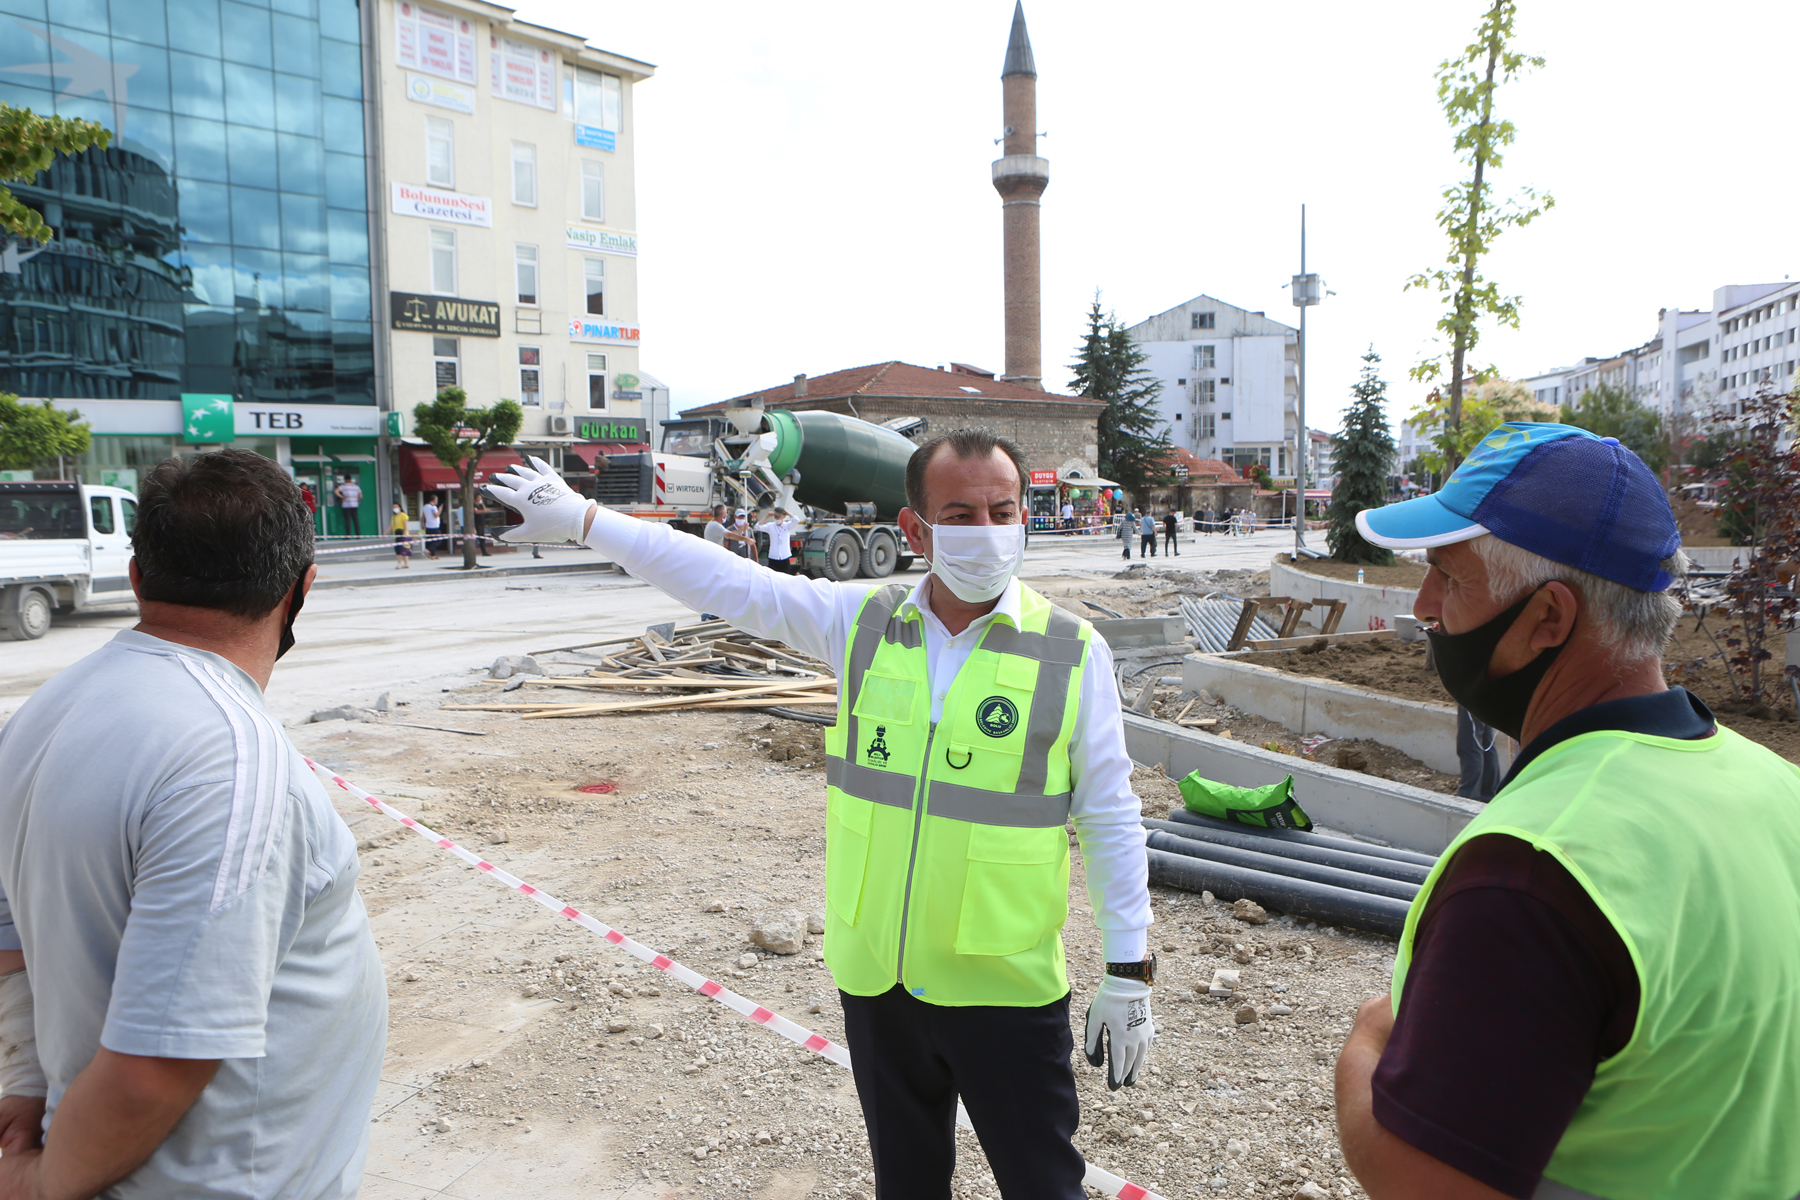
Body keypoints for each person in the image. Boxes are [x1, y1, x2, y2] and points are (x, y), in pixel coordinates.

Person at [486, 430, 1155, 1200]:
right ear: (916, 529)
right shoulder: (862, 623)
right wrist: (587, 519)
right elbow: (727, 582)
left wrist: (1129, 970)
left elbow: (1110, 815)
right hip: (878, 983)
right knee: (906, 1185)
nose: (987, 530)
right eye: (961, 513)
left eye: (1003, 511)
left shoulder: (1073, 650)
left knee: (1043, 1187)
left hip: (1002, 988)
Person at [1336, 423, 1800, 1200]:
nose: (1423, 607)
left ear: (1548, 619)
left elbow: (1425, 1180)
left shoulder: (1533, 869)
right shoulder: (1777, 789)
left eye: (1448, 579)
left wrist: (1365, 1044)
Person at [0, 449, 387, 1199]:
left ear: (139, 576)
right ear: (300, 589)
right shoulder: (230, 761)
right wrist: (40, 1182)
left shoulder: (43, 715)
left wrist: (22, 1082)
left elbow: (6, 938)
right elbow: (158, 1064)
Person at [756, 507, 799, 574]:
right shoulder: (770, 526)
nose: (777, 518)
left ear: (783, 516)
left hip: (785, 556)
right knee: (773, 577)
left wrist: (788, 513)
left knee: (785, 576)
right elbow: (757, 526)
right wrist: (766, 516)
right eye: (775, 516)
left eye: (779, 516)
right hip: (773, 557)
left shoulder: (787, 526)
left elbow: (796, 520)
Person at [390, 502, 411, 569]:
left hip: (403, 535)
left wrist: (405, 535)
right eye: (393, 507)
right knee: (398, 550)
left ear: (400, 507)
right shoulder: (393, 517)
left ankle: (406, 563)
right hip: (397, 536)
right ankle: (400, 563)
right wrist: (385, 533)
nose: (395, 508)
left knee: (404, 550)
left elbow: (406, 526)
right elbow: (391, 526)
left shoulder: (403, 515)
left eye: (396, 507)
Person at [421, 494, 442, 560]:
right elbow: (436, 515)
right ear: (434, 500)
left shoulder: (425, 507)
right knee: (438, 540)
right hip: (434, 526)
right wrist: (440, 510)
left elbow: (423, 517)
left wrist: (422, 524)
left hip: (428, 526)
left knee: (431, 540)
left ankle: (432, 555)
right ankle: (428, 550)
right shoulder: (433, 507)